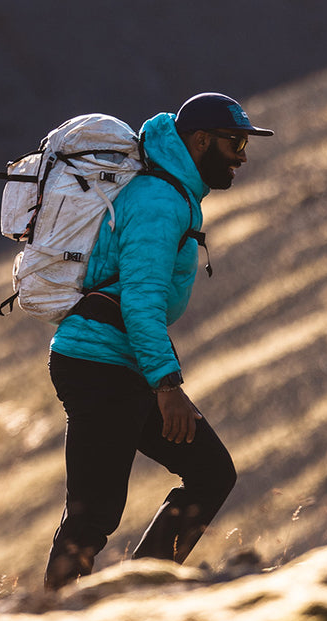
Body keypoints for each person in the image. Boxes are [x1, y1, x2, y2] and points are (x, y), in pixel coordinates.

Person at [42, 93, 271, 590]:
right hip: (101, 363)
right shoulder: (160, 202)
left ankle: (144, 590)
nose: (242, 155)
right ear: (201, 140)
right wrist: (168, 387)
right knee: (93, 511)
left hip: (116, 360)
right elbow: (141, 303)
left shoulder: (172, 194)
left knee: (210, 473)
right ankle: (53, 619)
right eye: (235, 143)